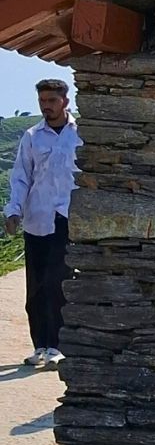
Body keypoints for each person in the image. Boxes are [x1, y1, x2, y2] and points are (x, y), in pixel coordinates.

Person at [3, 78, 81, 369]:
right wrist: (13, 211)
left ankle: (58, 346)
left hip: (68, 218)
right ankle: (40, 346)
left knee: (57, 281)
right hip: (37, 219)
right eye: (42, 102)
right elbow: (21, 176)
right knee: (35, 287)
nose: (46, 107)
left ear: (65, 102)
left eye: (51, 101)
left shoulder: (80, 135)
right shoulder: (33, 136)